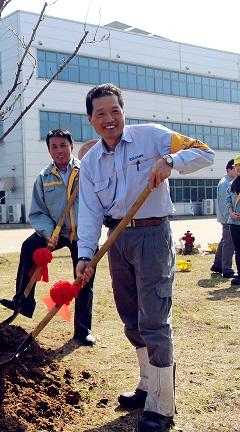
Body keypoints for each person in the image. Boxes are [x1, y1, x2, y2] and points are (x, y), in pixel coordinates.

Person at [76, 83, 214, 432]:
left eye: (115, 111)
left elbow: (204, 152)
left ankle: (163, 405)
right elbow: (90, 211)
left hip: (152, 235)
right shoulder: (90, 162)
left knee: (154, 320)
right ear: (91, 120)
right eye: (101, 114)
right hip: (116, 240)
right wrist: (85, 255)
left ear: (124, 111)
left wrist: (171, 160)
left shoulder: (152, 137)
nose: (110, 119)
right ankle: (146, 385)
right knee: (130, 318)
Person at [0, 129, 96, 346]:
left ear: (71, 147)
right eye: (54, 147)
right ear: (49, 150)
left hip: (83, 234)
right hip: (57, 231)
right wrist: (48, 232)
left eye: (63, 145)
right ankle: (23, 301)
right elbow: (38, 212)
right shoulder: (43, 178)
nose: (59, 150)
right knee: (29, 246)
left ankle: (83, 330)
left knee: (84, 279)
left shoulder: (86, 172)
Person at [211, 159, 237, 278]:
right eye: (235, 168)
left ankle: (218, 265)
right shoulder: (226, 183)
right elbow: (224, 204)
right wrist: (229, 218)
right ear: (229, 170)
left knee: (224, 242)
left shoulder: (230, 181)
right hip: (228, 219)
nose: (237, 171)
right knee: (229, 243)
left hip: (228, 218)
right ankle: (227, 269)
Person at [225, 156, 240, 286]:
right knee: (238, 250)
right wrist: (231, 213)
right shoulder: (232, 184)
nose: (238, 168)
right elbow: (228, 201)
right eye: (236, 166)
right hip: (234, 223)